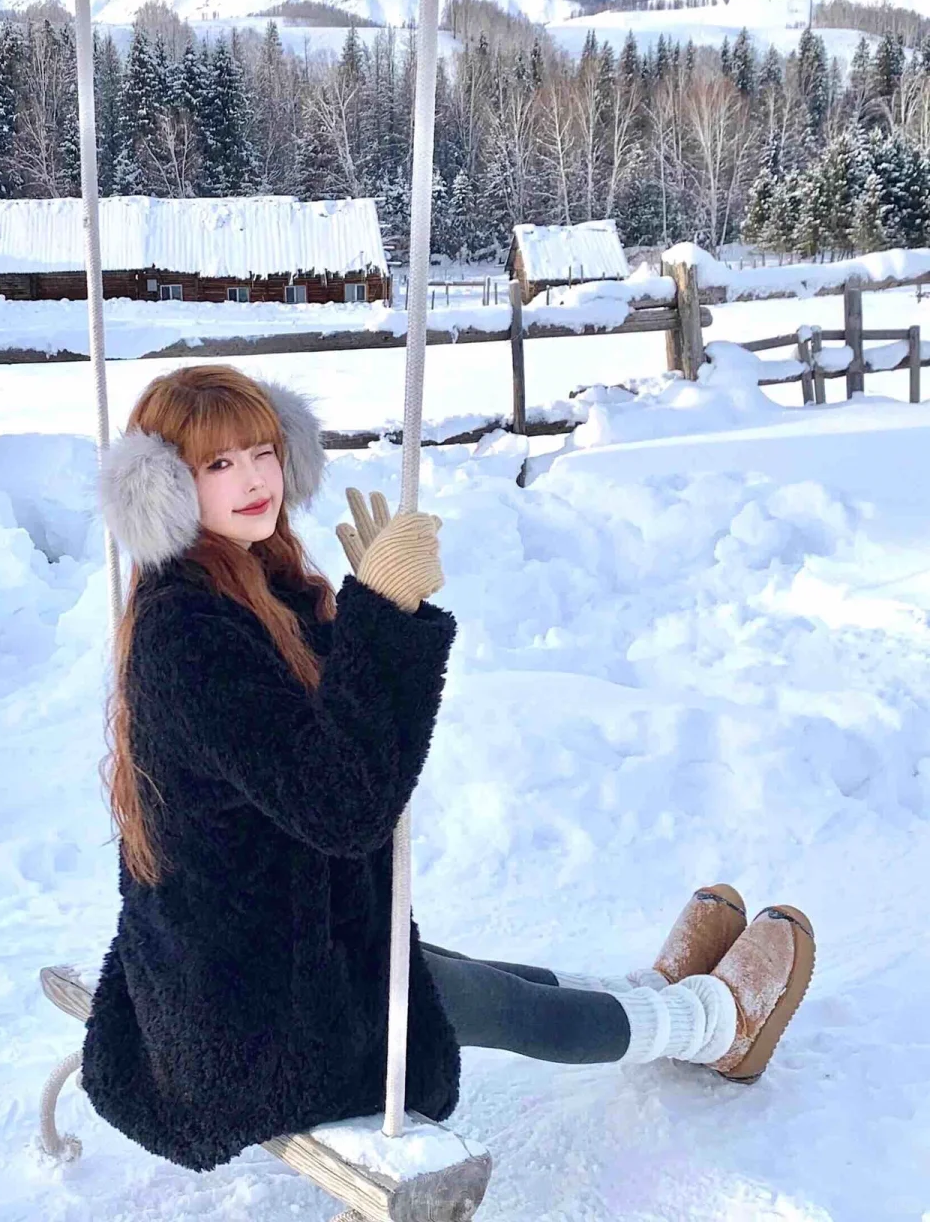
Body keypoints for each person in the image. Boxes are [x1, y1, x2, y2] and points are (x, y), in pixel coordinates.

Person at [80, 364, 815, 1173]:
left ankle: (651, 990)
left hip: (264, 956)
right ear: (167, 489)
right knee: (488, 1003)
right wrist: (381, 619)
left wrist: (369, 616)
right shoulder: (189, 634)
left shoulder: (252, 586)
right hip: (249, 1022)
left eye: (263, 451)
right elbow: (344, 803)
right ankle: (715, 1025)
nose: (256, 480)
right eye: (219, 464)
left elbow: (319, 736)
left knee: (463, 973)